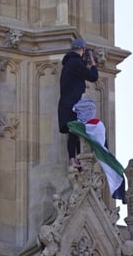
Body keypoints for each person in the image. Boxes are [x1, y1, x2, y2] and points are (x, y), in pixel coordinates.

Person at [58, 37, 98, 171]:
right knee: (75, 131)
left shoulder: (69, 64)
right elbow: (93, 76)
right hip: (73, 105)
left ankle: (74, 160)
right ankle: (74, 159)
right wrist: (92, 63)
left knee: (74, 133)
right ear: (82, 49)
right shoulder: (75, 62)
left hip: (66, 105)